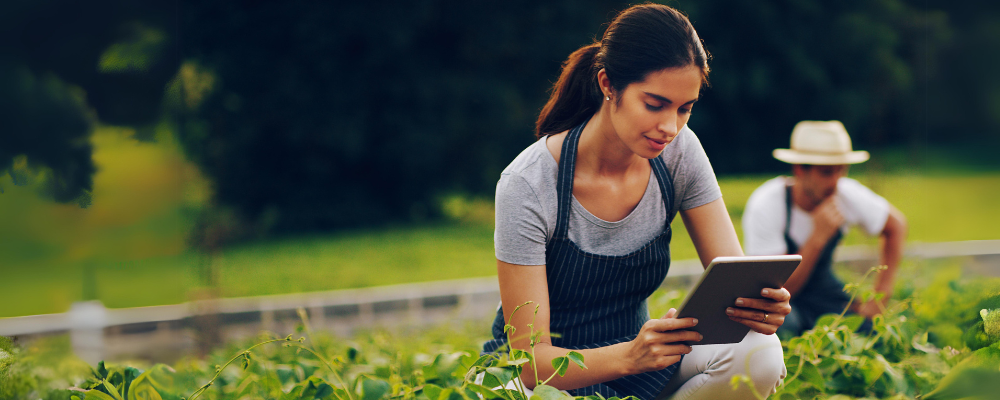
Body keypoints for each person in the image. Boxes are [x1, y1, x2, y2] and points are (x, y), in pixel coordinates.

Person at [481, 4, 789, 400]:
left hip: (643, 362)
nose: (670, 127)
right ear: (609, 85)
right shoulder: (528, 183)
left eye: (685, 109)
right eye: (655, 104)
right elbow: (529, 364)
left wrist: (755, 306)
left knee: (759, 353)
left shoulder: (679, 153)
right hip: (542, 379)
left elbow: (731, 277)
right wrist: (630, 356)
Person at [742, 120, 908, 337]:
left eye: (842, 170)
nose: (836, 181)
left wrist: (881, 297)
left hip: (823, 290)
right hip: (782, 300)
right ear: (800, 169)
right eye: (827, 172)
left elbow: (896, 226)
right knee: (780, 327)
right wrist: (817, 238)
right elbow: (776, 292)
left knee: (868, 332)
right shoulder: (767, 204)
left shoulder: (844, 193)